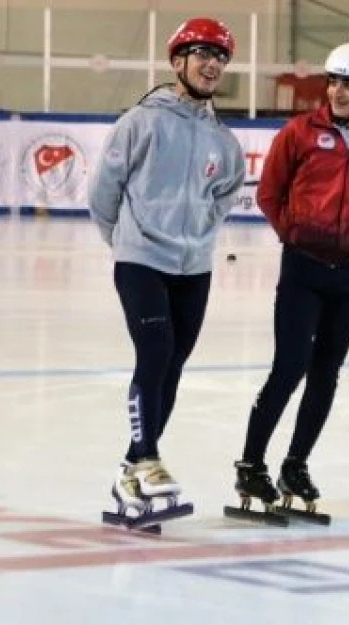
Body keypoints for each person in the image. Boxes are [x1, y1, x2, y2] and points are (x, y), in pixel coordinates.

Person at [231, 42, 349, 518]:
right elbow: (269, 192)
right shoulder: (300, 133)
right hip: (303, 266)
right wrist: (295, 233)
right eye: (334, 82)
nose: (339, 92)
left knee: (326, 373)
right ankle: (250, 463)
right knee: (289, 368)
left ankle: (295, 465)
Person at [89, 17, 245, 517]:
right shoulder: (140, 122)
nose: (212, 64)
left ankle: (133, 470)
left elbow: (224, 196)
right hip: (141, 260)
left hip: (193, 267)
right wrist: (126, 243)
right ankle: (149, 458)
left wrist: (197, 236)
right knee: (154, 351)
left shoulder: (224, 141)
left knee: (171, 365)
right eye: (202, 54)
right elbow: (102, 192)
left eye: (219, 57)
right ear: (178, 61)